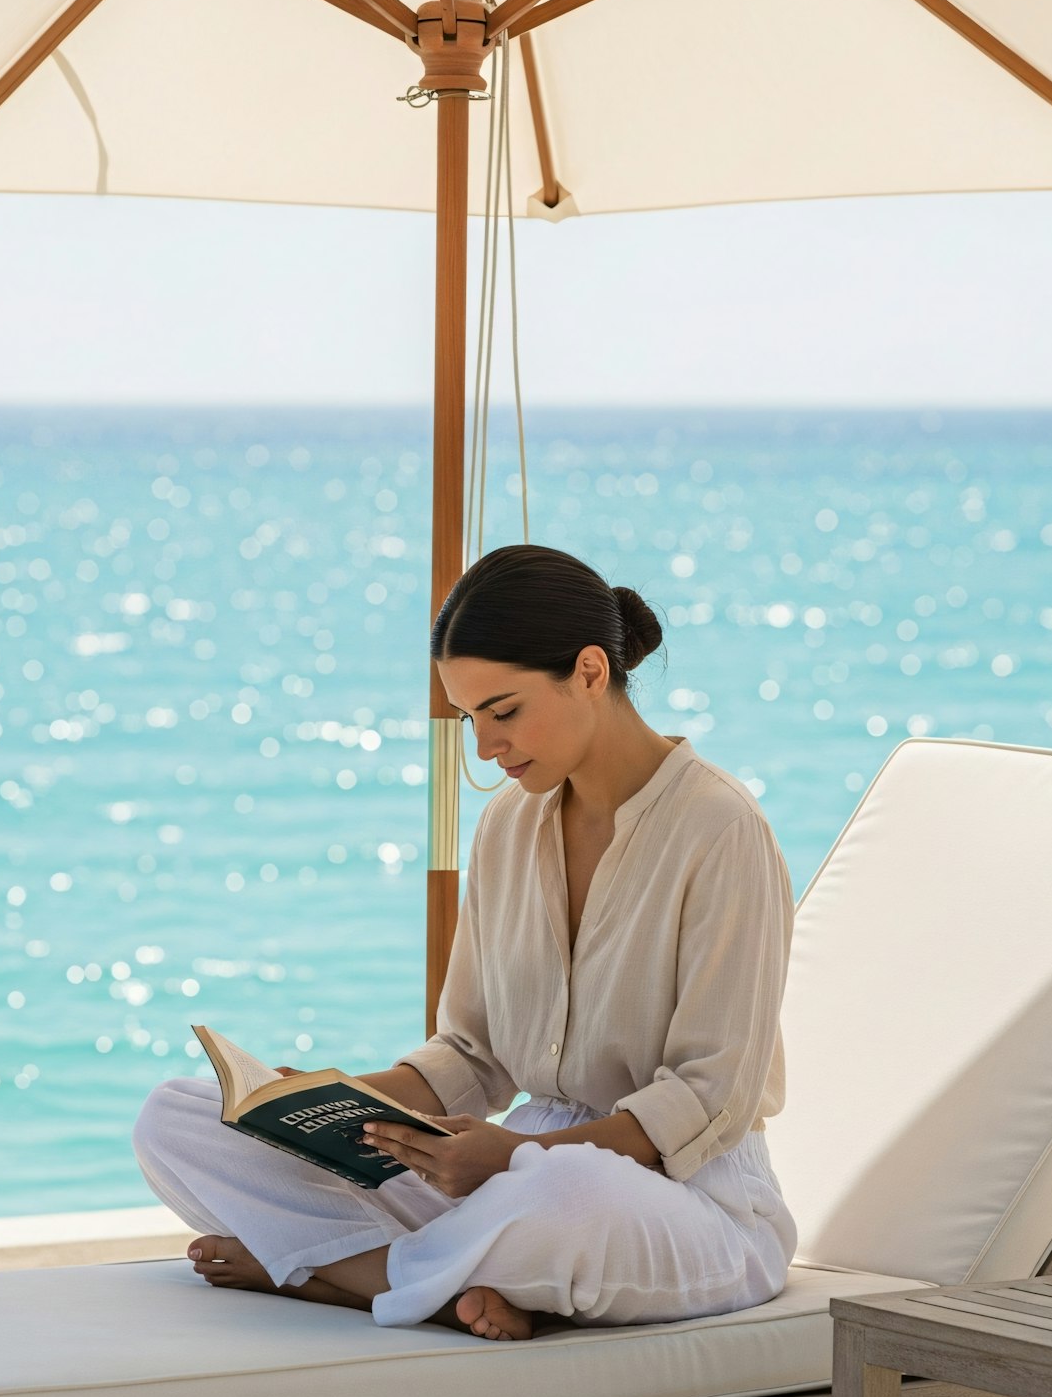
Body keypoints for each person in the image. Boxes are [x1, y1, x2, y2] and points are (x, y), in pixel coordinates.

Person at [132, 544, 798, 1342]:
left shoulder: (722, 830)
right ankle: (442, 1283)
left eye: (505, 711)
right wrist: (327, 1101)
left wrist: (514, 1159)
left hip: (685, 1203)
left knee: (565, 1193)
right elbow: (472, 1056)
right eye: (469, 718)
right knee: (177, 1117)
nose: (486, 746)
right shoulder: (509, 827)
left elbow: (707, 1097)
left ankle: (337, 1274)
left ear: (590, 670)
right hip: (498, 1176)